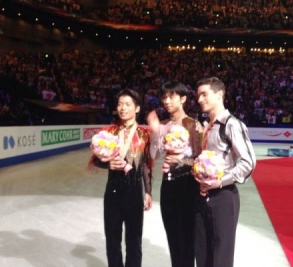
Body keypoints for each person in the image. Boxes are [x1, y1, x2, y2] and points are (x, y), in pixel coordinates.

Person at [194, 76, 256, 267]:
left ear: (219, 94)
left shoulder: (231, 124)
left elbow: (248, 162)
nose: (199, 100)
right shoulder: (206, 126)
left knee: (221, 256)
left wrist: (220, 181)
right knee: (202, 252)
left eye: (204, 94)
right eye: (198, 96)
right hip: (201, 195)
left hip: (223, 196)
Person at [89, 89, 153, 267]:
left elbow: (147, 165)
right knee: (112, 239)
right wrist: (107, 164)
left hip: (134, 192)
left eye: (127, 104)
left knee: (134, 241)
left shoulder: (144, 135)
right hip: (113, 191)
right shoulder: (108, 133)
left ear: (137, 108)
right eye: (120, 104)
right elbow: (95, 160)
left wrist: (148, 192)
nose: (122, 108)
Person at [147, 81, 203, 267]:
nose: (167, 101)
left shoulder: (194, 126)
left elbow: (203, 163)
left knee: (187, 239)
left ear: (183, 99)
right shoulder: (163, 126)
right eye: (164, 97)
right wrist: (155, 134)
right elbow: (152, 156)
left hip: (188, 187)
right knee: (172, 236)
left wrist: (182, 161)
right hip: (168, 187)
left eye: (171, 97)